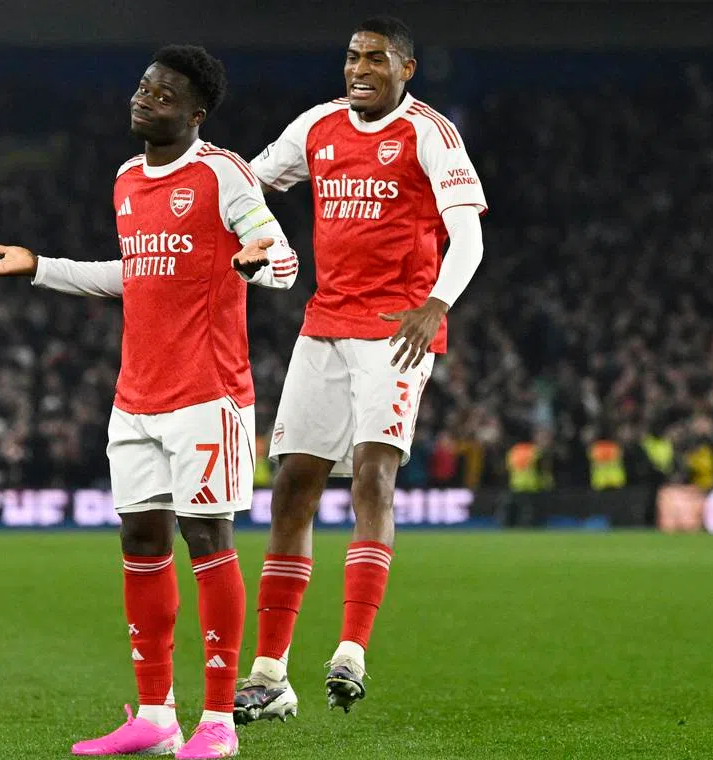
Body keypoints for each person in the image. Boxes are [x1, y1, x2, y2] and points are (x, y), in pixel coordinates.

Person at [0, 45, 297, 758]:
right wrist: (39, 267)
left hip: (208, 395)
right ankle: (154, 714)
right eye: (144, 88)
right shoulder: (126, 180)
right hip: (135, 396)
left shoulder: (221, 174)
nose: (145, 100)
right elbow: (134, 275)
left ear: (195, 114)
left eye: (165, 95)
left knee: (208, 543)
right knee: (140, 542)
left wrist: (255, 258)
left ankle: (218, 724)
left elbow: (283, 259)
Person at [234, 15, 487, 721]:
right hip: (324, 325)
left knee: (373, 472)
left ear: (407, 70)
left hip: (396, 330)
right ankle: (269, 672)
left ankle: (351, 651)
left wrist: (436, 306)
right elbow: (247, 186)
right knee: (292, 488)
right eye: (351, 57)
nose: (359, 69)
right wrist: (251, 241)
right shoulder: (317, 127)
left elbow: (468, 233)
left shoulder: (429, 134)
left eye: (376, 59)